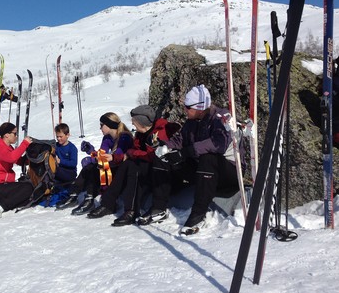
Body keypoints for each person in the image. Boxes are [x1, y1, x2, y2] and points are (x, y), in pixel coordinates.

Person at [154, 84, 244, 235]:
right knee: (164, 157)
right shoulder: (192, 122)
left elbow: (217, 145)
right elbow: (180, 141)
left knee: (208, 158)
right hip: (204, 171)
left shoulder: (221, 118)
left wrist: (185, 153)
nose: (185, 110)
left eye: (188, 107)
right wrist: (164, 146)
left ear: (200, 107)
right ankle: (158, 207)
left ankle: (199, 214)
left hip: (230, 172)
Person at [87, 105, 180, 226]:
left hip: (162, 173)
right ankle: (108, 204)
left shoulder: (158, 132)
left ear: (142, 122)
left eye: (134, 121)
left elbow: (153, 154)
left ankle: (130, 210)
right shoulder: (141, 134)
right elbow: (131, 153)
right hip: (148, 169)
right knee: (128, 164)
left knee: (132, 166)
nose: (132, 124)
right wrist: (116, 157)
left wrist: (132, 154)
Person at [56, 112, 133, 215]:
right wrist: (90, 151)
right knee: (89, 167)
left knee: (98, 166)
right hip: (112, 166)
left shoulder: (124, 137)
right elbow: (101, 154)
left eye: (102, 125)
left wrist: (94, 159)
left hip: (123, 171)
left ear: (109, 125)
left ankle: (104, 201)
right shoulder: (107, 138)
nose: (100, 128)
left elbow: (115, 159)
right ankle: (76, 195)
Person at [0, 122, 33, 218]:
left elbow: (20, 161)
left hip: (4, 186)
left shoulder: (8, 148)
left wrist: (33, 155)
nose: (16, 136)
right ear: (6, 135)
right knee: (27, 188)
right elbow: (12, 158)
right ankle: (1, 206)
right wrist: (24, 144)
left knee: (29, 192)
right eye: (14, 133)